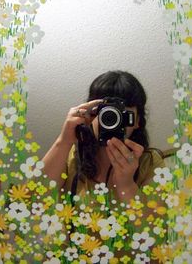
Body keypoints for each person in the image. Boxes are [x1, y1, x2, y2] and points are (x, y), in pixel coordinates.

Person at [42, 70, 166, 202]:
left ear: (136, 121)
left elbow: (154, 222)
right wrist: (64, 140)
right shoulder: (72, 156)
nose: (111, 120)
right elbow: (34, 203)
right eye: (106, 113)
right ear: (90, 115)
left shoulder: (150, 163)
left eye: (120, 114)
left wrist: (127, 186)